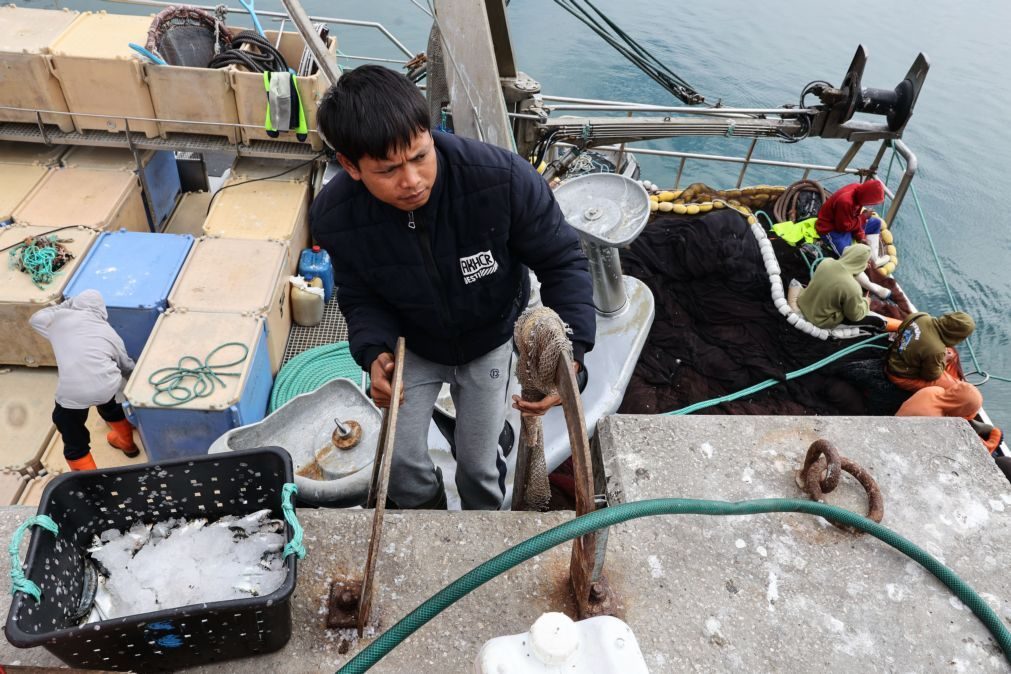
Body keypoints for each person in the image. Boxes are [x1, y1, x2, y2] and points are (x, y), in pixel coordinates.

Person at [310, 65, 595, 511]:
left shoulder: (503, 180)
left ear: (430, 132)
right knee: (399, 466)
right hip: (413, 344)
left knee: (478, 467)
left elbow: (562, 261)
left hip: (489, 339)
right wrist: (374, 352)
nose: (412, 181)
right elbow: (359, 294)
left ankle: (481, 540)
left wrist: (571, 356)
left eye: (420, 156)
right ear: (350, 166)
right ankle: (430, 529)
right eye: (388, 170)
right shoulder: (334, 216)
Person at [28, 290, 139, 471]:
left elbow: (35, 319)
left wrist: (67, 305)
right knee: (110, 401)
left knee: (72, 434)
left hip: (74, 393)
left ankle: (91, 482)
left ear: (75, 306)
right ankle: (128, 445)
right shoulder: (109, 332)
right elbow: (126, 366)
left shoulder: (59, 321)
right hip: (107, 385)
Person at [791, 243, 897, 331]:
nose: (867, 265)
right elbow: (855, 316)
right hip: (818, 320)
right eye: (866, 262)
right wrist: (866, 302)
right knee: (874, 320)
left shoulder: (827, 262)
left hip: (803, 302)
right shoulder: (853, 288)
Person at [815, 179, 892, 299]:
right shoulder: (845, 201)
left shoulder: (858, 191)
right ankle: (872, 287)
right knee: (849, 257)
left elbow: (854, 217)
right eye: (871, 202)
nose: (870, 204)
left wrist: (861, 236)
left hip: (847, 224)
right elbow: (844, 227)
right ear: (866, 197)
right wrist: (863, 218)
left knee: (875, 223)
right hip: (832, 230)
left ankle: (874, 259)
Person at [896, 381, 1003, 453]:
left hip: (896, 425)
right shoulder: (939, 423)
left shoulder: (933, 390)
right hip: (906, 447)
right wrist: (995, 439)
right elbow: (978, 450)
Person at [885, 311, 975, 392]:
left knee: (950, 352)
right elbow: (930, 376)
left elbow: (900, 330)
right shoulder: (936, 350)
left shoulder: (920, 316)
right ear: (957, 335)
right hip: (900, 376)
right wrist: (944, 360)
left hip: (893, 356)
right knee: (957, 388)